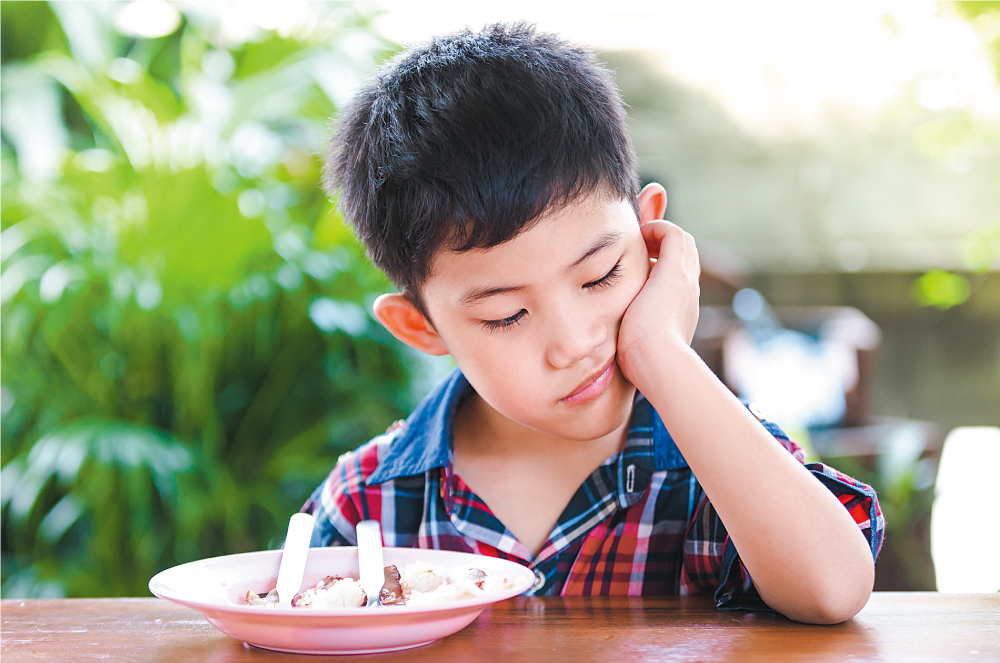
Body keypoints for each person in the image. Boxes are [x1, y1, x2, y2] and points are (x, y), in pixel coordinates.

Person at [303, 22, 884, 624]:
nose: (575, 344)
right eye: (506, 315)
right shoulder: (369, 501)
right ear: (421, 327)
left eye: (601, 276)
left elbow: (833, 590)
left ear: (648, 235)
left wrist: (660, 351)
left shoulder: (716, 460)